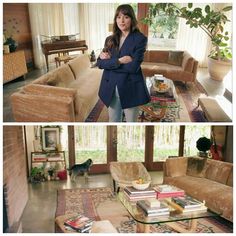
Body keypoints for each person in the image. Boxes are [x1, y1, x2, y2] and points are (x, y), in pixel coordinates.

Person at [97, 4, 150, 122]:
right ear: (115, 19)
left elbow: (133, 67)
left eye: (125, 17)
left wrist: (109, 64)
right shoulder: (110, 39)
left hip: (130, 87)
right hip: (110, 87)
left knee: (131, 122)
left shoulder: (140, 39)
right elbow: (99, 63)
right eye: (118, 17)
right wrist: (119, 61)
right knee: (113, 121)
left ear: (132, 19)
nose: (121, 21)